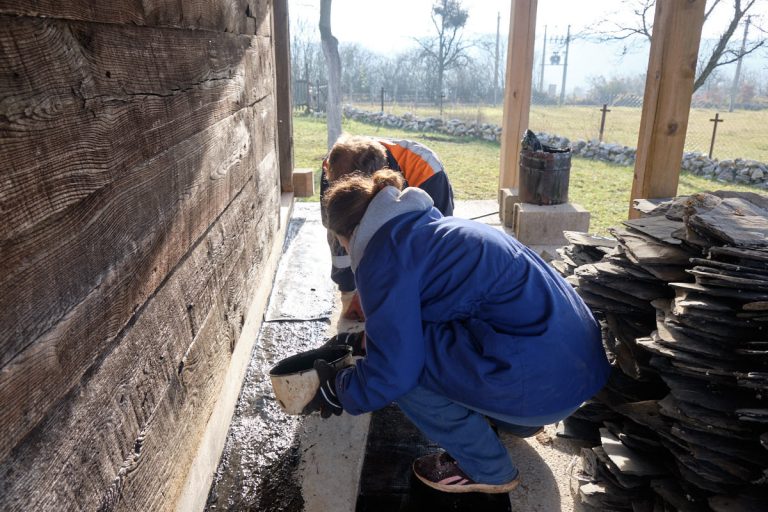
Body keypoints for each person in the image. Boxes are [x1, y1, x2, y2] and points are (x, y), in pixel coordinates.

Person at [304, 169, 611, 494]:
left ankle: (488, 468)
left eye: (339, 242)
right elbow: (432, 313)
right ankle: (520, 420)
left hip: (542, 384)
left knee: (406, 371)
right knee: (411, 349)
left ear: (348, 233)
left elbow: (395, 371)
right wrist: (369, 339)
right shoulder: (427, 229)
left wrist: (340, 390)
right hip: (574, 374)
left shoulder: (383, 255)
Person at [320, 135, 454, 321]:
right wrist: (349, 292)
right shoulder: (333, 167)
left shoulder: (426, 171)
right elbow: (338, 234)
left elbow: (435, 248)